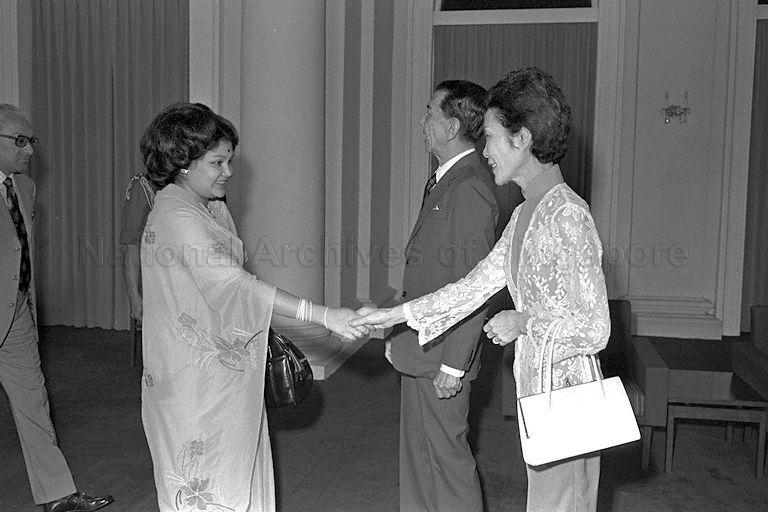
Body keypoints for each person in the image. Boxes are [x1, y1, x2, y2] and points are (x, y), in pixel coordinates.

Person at [353, 67, 610, 512]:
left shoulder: (567, 213)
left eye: (490, 136)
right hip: (536, 389)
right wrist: (393, 315)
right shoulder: (527, 212)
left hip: (568, 396)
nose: (484, 149)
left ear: (521, 138)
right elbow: (468, 289)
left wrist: (524, 320)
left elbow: (595, 328)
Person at [139, 102, 366, 512]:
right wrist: (324, 315)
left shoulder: (210, 205)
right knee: (207, 483)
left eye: (229, 160)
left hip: (224, 373)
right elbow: (235, 286)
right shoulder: (176, 214)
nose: (228, 171)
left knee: (238, 469)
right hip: (193, 381)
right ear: (183, 164)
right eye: (217, 162)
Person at [388, 80, 498, 512]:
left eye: (429, 112)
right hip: (422, 348)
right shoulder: (447, 180)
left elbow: (474, 287)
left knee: (448, 466)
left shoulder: (470, 187)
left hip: (442, 356)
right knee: (417, 459)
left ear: (451, 126)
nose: (422, 120)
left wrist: (455, 364)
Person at [0, 104, 114, 511]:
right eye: (19, 141)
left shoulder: (25, 188)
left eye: (32, 141)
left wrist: (27, 308)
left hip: (15, 319)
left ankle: (57, 496)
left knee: (34, 405)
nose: (30, 150)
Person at [120, 171, 157, 328]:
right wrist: (134, 297)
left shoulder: (201, 180)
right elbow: (132, 245)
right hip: (160, 283)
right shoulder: (143, 185)